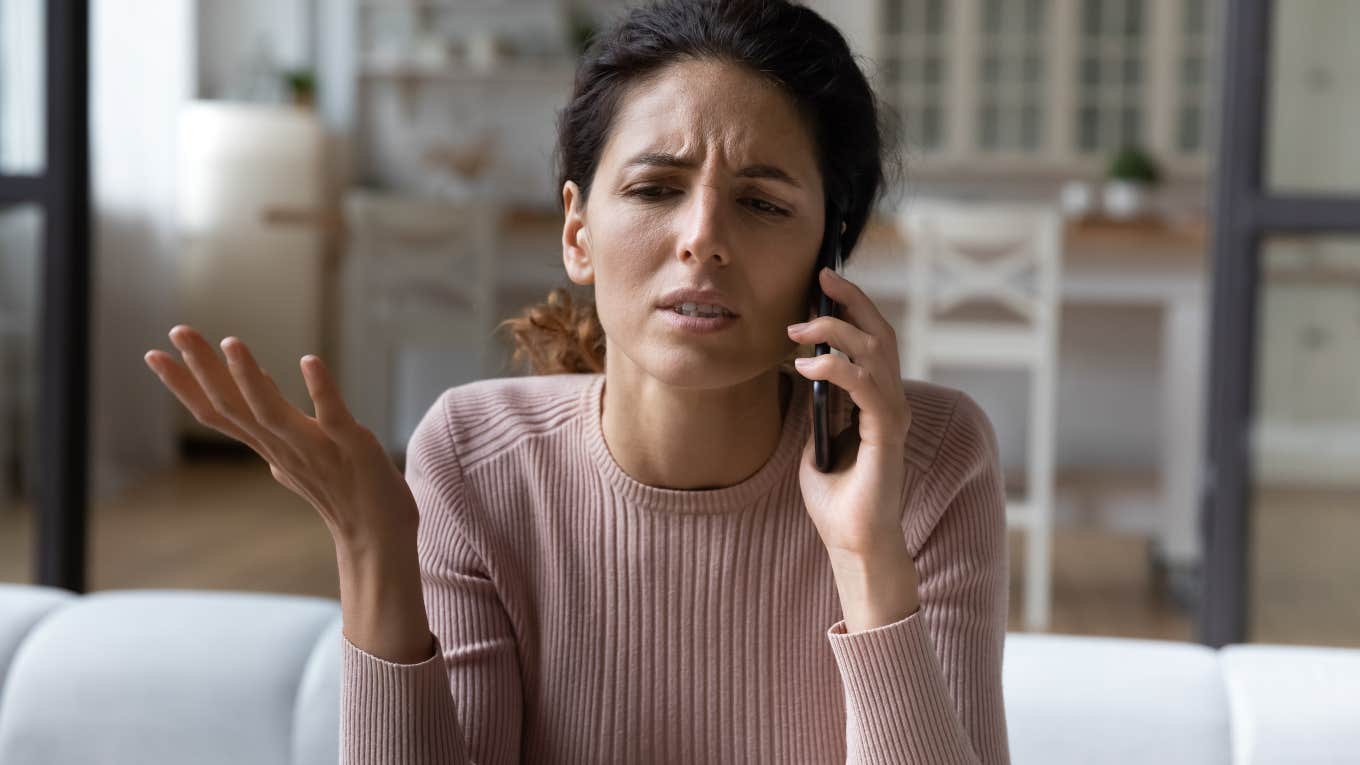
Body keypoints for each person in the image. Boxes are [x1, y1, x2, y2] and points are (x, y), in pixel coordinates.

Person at [144, 0, 1011, 762]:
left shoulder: (927, 460)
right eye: (655, 187)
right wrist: (374, 546)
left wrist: (867, 555)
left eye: (763, 203)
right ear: (578, 232)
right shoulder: (474, 457)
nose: (701, 237)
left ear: (829, 255)